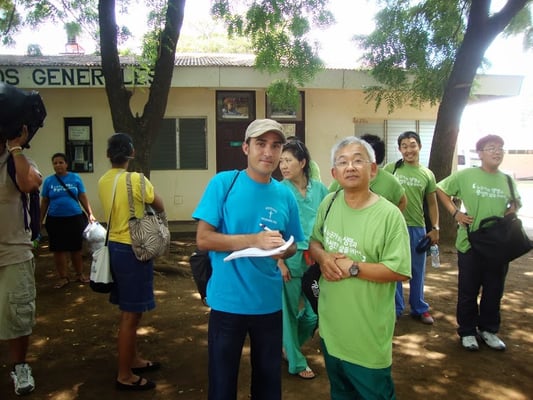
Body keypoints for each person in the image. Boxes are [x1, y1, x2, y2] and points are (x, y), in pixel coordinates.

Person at [193, 118, 304, 400]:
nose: (268, 152)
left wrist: (284, 250)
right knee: (222, 382)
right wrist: (253, 240)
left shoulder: (284, 195)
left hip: (268, 304)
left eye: (276, 146)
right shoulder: (223, 183)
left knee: (268, 384)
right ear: (246, 148)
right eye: (261, 144)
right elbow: (204, 239)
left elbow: (293, 245)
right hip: (227, 303)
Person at [309, 136, 411, 399]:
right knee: (340, 393)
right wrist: (322, 257)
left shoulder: (389, 216)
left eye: (358, 160)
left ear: (373, 169)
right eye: (342, 162)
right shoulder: (329, 203)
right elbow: (315, 241)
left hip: (367, 338)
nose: (350, 167)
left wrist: (353, 267)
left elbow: (399, 270)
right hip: (332, 332)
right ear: (334, 173)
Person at [436, 134, 519, 351]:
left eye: (500, 147)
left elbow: (515, 203)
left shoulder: (507, 179)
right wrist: (456, 214)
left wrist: (510, 213)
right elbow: (440, 189)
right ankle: (467, 331)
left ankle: (489, 330)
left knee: (494, 290)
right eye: (491, 148)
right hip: (470, 244)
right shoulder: (466, 175)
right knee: (468, 290)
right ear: (480, 153)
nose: (497, 151)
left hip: (498, 246)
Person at [98, 133, 165, 391]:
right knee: (131, 314)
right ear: (132, 153)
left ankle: (133, 359)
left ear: (107, 156)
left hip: (115, 247)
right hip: (135, 248)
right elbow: (158, 204)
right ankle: (124, 375)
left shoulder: (103, 180)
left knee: (129, 311)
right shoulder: (137, 179)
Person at [277, 139, 328, 379]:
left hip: (315, 258)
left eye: (288, 160)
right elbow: (273, 229)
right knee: (287, 311)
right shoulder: (279, 190)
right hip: (289, 257)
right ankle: (296, 362)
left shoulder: (320, 189)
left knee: (313, 313)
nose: (283, 166)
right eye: (281, 161)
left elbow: (330, 219)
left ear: (303, 162)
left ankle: (288, 346)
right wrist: (278, 262)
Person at [0, 126, 42, 395]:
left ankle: (19, 366)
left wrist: (15, 148)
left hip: (13, 251)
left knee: (18, 310)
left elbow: (30, 183)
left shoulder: (17, 161)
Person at [383, 131, 439, 324]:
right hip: (394, 227)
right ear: (399, 149)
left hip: (418, 228)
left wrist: (436, 228)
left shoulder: (427, 174)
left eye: (412, 145)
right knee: (395, 268)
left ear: (419, 147)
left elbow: (432, 204)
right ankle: (396, 308)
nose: (409, 150)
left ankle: (419, 307)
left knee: (417, 270)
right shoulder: (390, 169)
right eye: (404, 146)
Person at [40, 152, 96, 289]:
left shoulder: (75, 178)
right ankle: (63, 277)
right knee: (58, 250)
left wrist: (90, 213)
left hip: (74, 219)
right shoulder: (48, 181)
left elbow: (82, 197)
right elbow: (45, 201)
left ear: (66, 164)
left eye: (61, 162)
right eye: (55, 163)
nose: (58, 165)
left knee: (76, 248)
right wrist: (39, 220)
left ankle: (79, 274)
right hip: (55, 220)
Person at [329, 134, 407, 211]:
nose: (350, 168)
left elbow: (402, 201)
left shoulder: (390, 181)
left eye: (358, 160)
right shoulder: (344, 180)